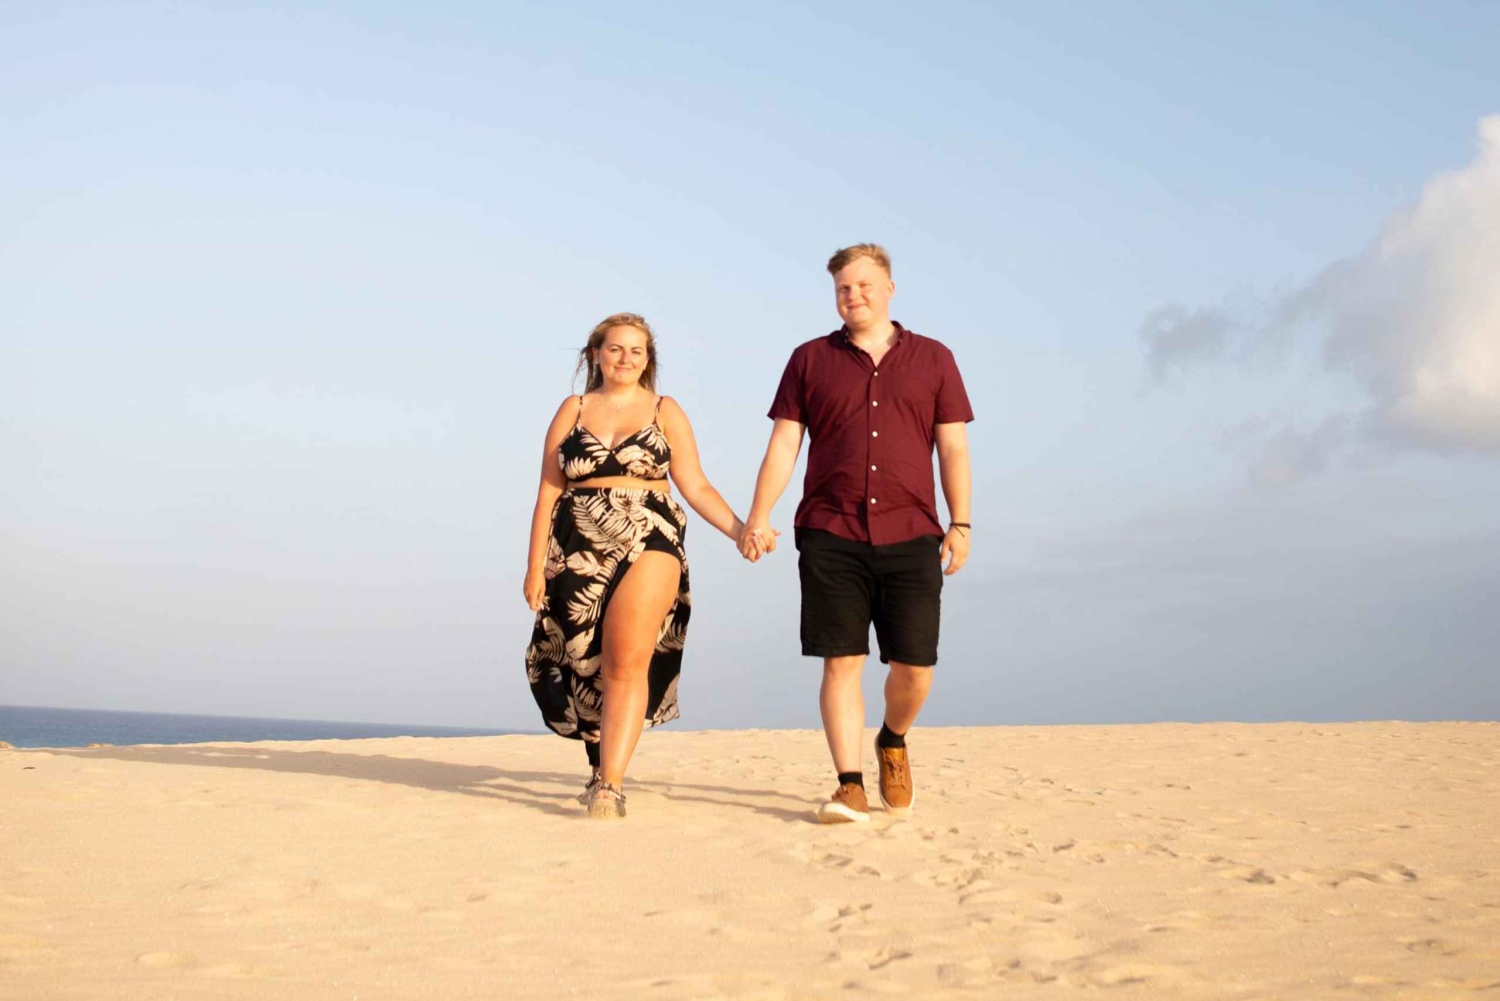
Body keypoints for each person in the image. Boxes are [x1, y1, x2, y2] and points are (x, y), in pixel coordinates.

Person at [741, 244, 973, 823]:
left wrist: (961, 521)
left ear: (890, 287)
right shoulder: (809, 359)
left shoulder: (935, 359)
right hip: (830, 529)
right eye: (844, 287)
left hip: (912, 530)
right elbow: (785, 444)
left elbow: (953, 446)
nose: (855, 295)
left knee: (916, 667)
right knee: (841, 661)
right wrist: (759, 515)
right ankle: (849, 784)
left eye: (865, 284)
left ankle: (892, 740)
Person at [524, 313, 759, 819]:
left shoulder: (664, 409)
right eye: (616, 349)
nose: (626, 358)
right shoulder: (573, 408)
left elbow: (694, 485)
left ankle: (610, 786)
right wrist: (533, 566)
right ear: (596, 355)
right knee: (584, 660)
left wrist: (741, 530)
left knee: (627, 659)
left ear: (648, 359)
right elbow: (548, 490)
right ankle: (599, 760)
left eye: (637, 350)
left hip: (651, 538)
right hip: (576, 545)